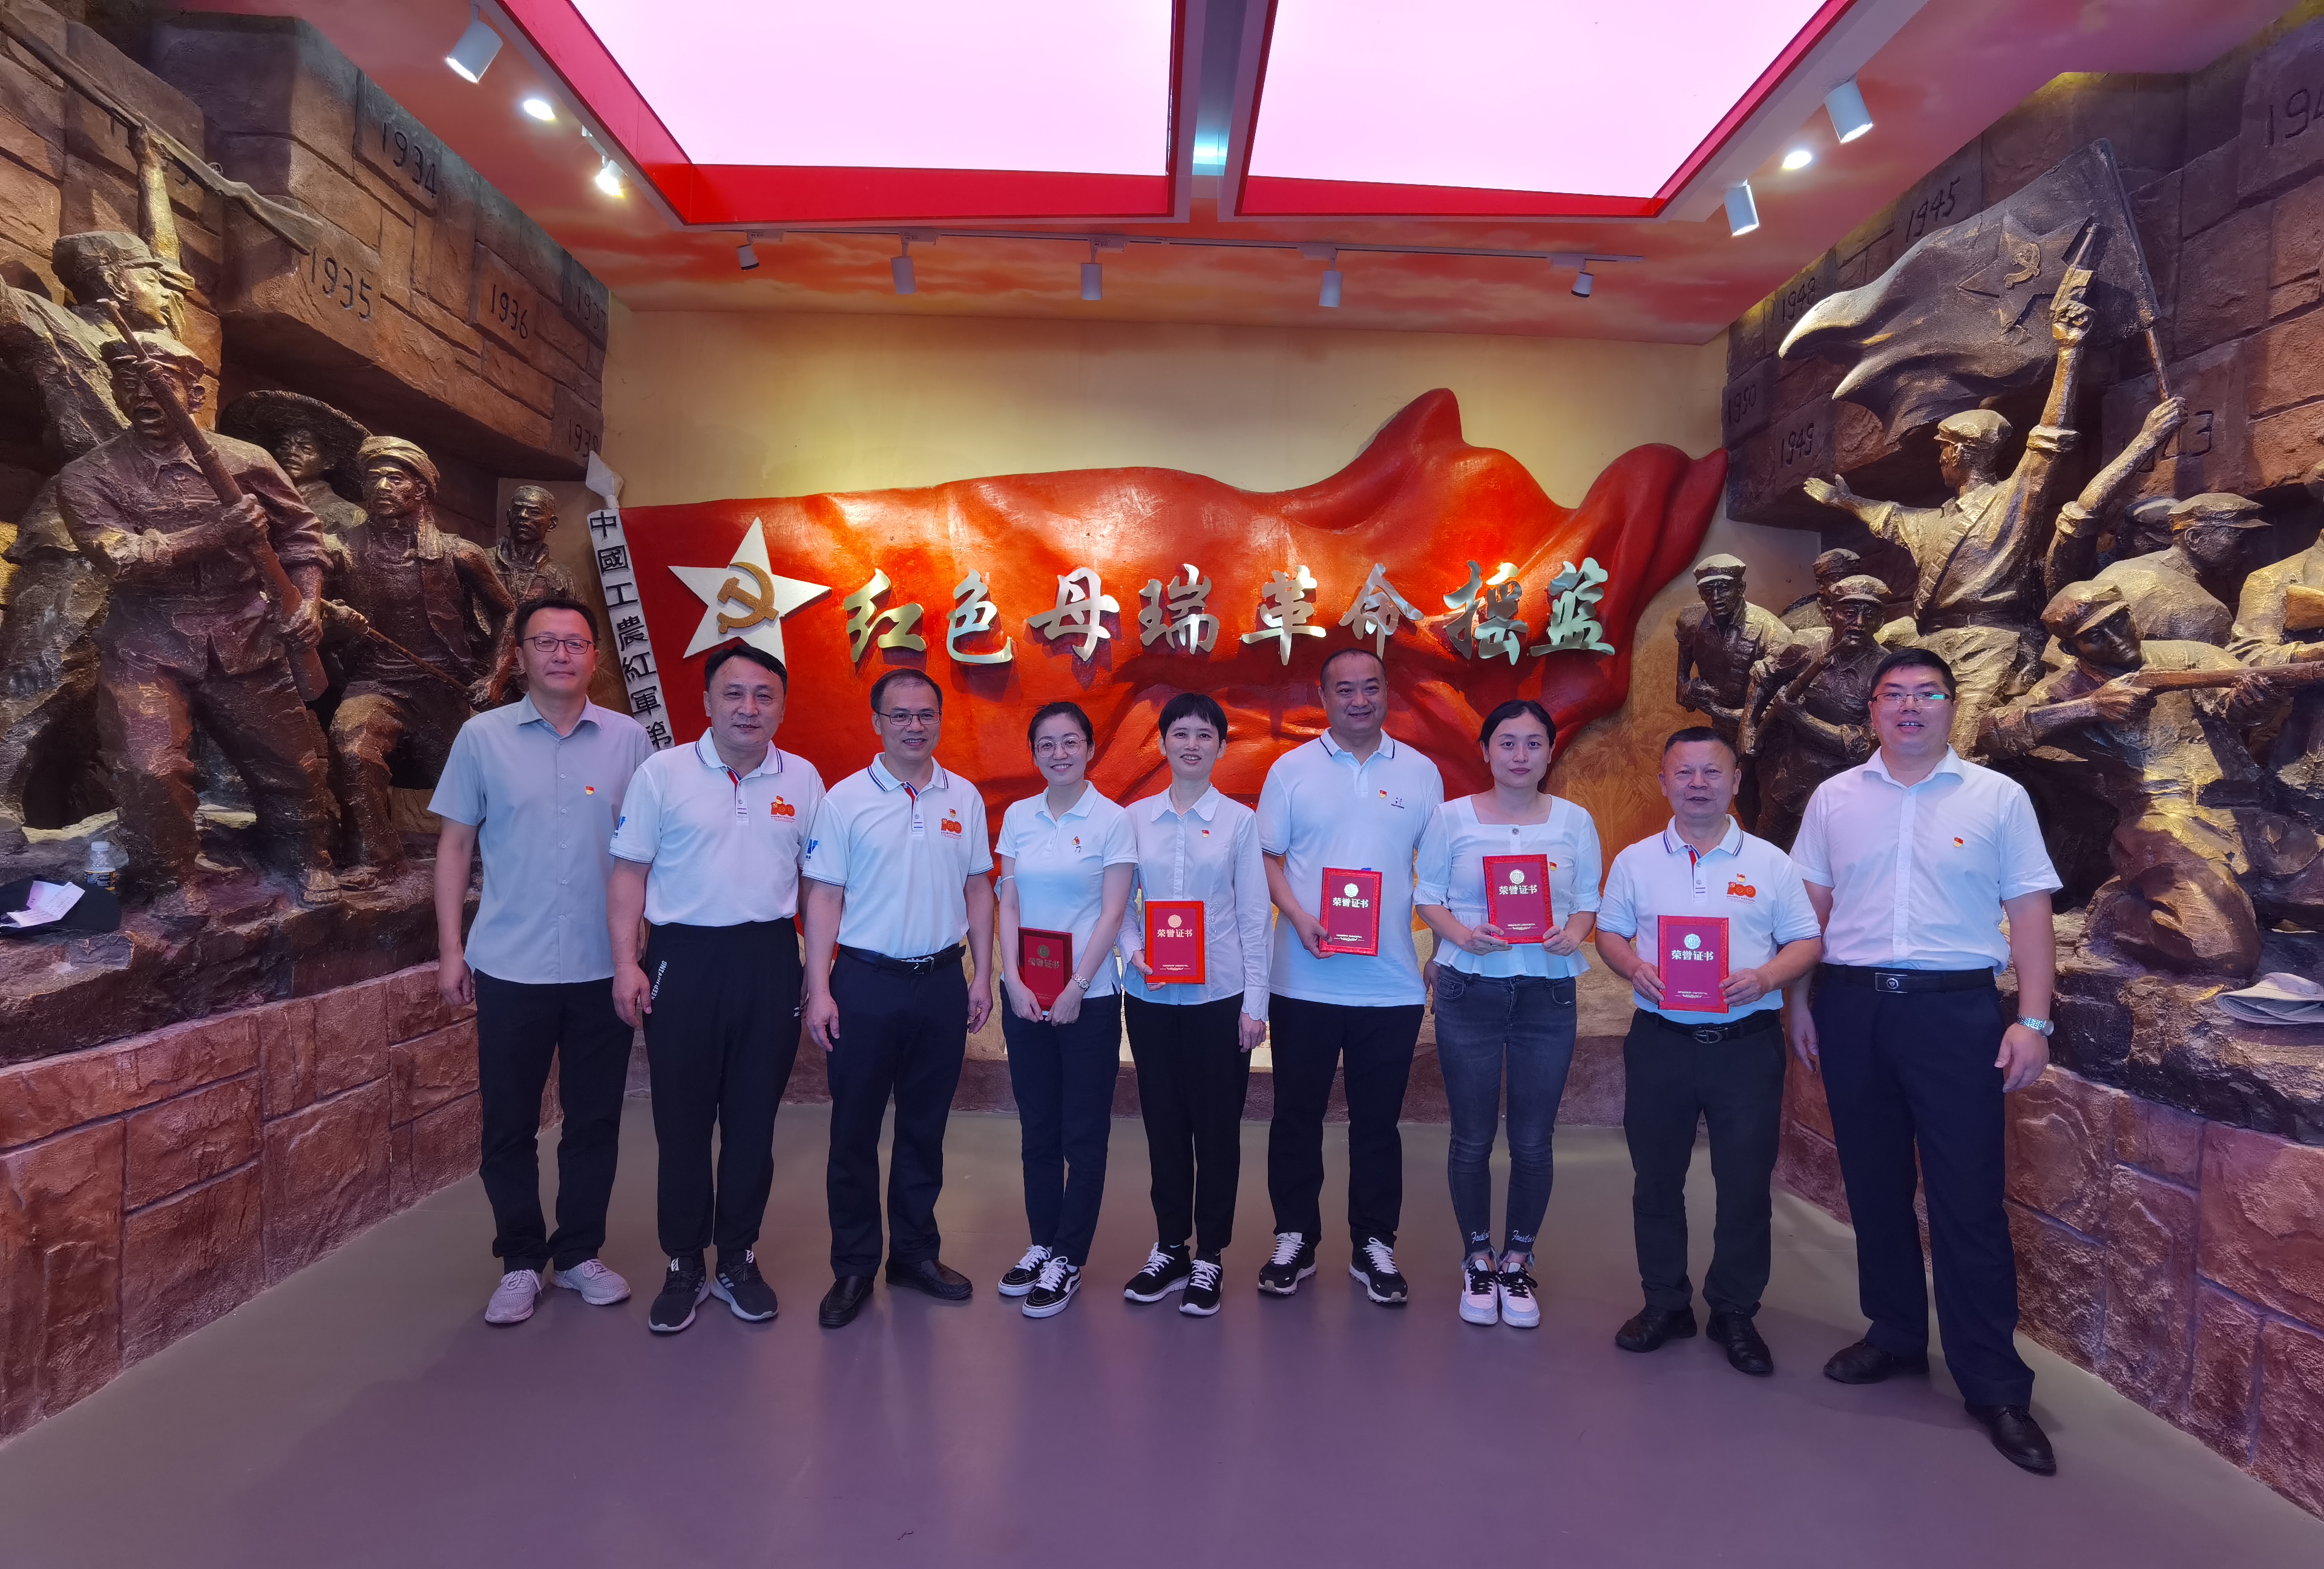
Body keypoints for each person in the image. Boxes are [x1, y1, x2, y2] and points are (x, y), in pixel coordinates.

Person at [1785, 646, 2064, 1475]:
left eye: (1927, 694)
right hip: (1853, 1007)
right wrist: (1799, 1004)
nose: (1910, 707)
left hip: (1955, 1014)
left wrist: (2035, 1021)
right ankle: (1897, 1334)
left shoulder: (1998, 798)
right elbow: (1810, 911)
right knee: (1873, 1186)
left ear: (1951, 705)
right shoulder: (1834, 799)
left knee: (1967, 1198)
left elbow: (2030, 911)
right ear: (1872, 709)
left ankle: (1994, 1383)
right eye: (1894, 694)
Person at [429, 594, 652, 1326]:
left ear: (594, 657)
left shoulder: (629, 742)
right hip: (509, 964)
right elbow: (455, 847)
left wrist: (639, 949)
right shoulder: (481, 738)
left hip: (601, 966)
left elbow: (648, 853)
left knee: (593, 1120)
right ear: (519, 655)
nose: (561, 654)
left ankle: (580, 1252)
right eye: (545, 642)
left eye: (575, 643)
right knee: (509, 1124)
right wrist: (451, 950)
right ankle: (521, 1260)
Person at [53, 334, 339, 906]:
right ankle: (171, 881)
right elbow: (121, 557)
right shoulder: (87, 477)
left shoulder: (247, 461)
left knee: (292, 764)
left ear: (196, 393)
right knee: (151, 769)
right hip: (148, 642)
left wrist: (307, 601)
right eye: (130, 382)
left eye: (160, 383)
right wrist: (217, 532)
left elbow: (302, 538)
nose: (145, 394)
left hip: (246, 633)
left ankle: (304, 860)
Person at [609, 642, 825, 1334]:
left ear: (782, 707)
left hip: (769, 957)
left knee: (753, 1121)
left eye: (764, 695)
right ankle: (683, 1261)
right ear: (706, 702)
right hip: (683, 959)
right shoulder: (663, 773)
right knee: (682, 1121)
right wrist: (626, 962)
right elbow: (629, 874)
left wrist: (818, 975)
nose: (748, 708)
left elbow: (818, 886)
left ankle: (737, 1256)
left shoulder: (804, 779)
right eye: (734, 693)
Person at [1593, 728, 1822, 1375]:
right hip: (1661, 1043)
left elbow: (1807, 941)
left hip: (1745, 1049)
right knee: (1656, 1180)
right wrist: (1632, 965)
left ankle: (1734, 1311)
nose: (1698, 784)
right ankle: (1665, 1303)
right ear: (1664, 783)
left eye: (1712, 772)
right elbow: (1610, 932)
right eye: (1685, 772)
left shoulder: (1772, 864)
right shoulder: (1635, 860)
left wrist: (1767, 977)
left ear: (1735, 781)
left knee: (1745, 1186)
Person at [801, 669, 996, 1329]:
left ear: (940, 720)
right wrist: (819, 986)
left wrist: (981, 973)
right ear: (877, 723)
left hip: (940, 981)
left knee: (924, 1126)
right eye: (901, 715)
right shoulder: (845, 800)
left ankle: (914, 1254)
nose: (915, 726)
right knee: (854, 1129)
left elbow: (978, 887)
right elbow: (824, 896)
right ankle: (855, 1264)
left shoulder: (963, 796)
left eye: (926, 714)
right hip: (865, 982)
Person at [1256, 645, 1444, 1304]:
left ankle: (1374, 1243)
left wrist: (1438, 952)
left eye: (1370, 687)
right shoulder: (1290, 771)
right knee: (1295, 1116)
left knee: (1377, 1124)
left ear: (1387, 692)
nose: (1359, 700)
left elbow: (1437, 876)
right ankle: (1294, 1236)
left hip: (1390, 985)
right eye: (1345, 689)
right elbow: (1267, 858)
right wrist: (1297, 915)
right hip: (1303, 980)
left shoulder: (1421, 773)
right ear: (1324, 696)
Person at [1413, 699, 1599, 1329]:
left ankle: (1517, 1259)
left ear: (1550, 752)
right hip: (1470, 991)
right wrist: (1463, 938)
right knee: (1471, 1137)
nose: (1521, 755)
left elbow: (1587, 902)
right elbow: (1428, 898)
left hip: (1548, 995)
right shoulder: (1450, 818)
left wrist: (1574, 934)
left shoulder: (1575, 821)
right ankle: (1477, 1257)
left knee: (1532, 1140)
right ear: (1486, 751)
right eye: (1508, 743)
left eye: (1534, 743)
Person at [1117, 692, 1270, 1317]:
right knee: (1163, 1125)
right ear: (1161, 743)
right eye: (1179, 733)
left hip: (1219, 997)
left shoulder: (1239, 822)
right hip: (1151, 996)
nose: (1191, 744)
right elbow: (1119, 904)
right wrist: (1135, 952)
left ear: (1221, 747)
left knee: (1217, 1127)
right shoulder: (1133, 819)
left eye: (1204, 735)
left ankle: (1210, 1254)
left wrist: (1255, 1004)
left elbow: (1255, 915)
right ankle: (1170, 1247)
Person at [991, 701, 1138, 1318]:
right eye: (1046, 744)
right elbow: (1008, 903)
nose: (1059, 753)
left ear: (1090, 748)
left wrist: (1079, 984)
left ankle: (1068, 1259)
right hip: (1026, 997)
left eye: (1070, 742)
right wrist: (1012, 978)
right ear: (1034, 753)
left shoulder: (1113, 820)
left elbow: (1113, 911)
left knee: (1083, 1132)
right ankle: (1042, 1242)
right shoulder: (1018, 817)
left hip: (1090, 1000)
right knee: (1038, 1128)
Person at [321, 437, 511, 886]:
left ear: (421, 489)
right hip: (374, 683)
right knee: (351, 749)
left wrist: (496, 676)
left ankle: (491, 860)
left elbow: (509, 612)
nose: (382, 486)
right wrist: (335, 623)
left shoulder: (459, 552)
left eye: (395, 478)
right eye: (373, 478)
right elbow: (305, 610)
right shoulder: (339, 550)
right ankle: (378, 858)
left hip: (441, 687)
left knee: (468, 783)